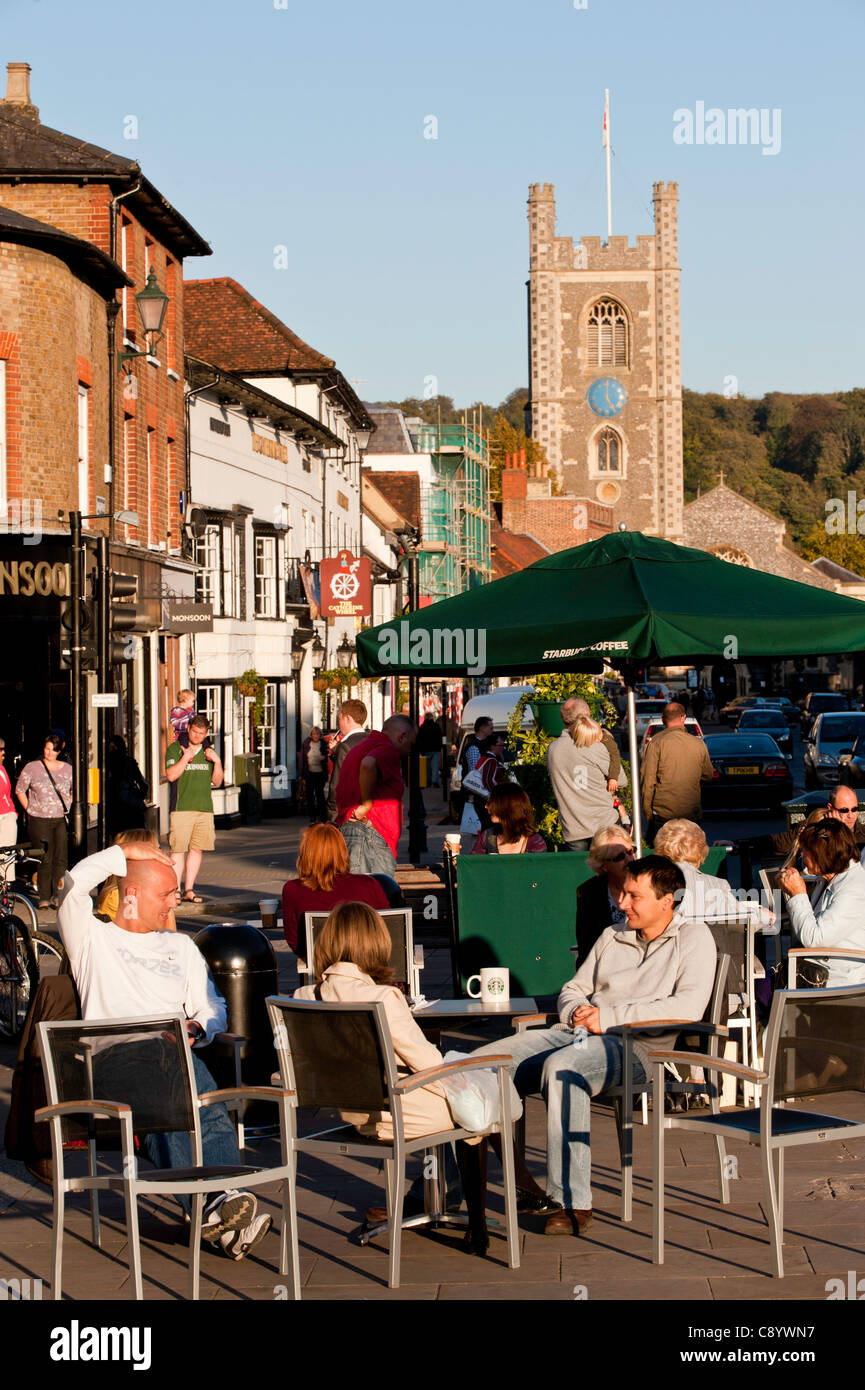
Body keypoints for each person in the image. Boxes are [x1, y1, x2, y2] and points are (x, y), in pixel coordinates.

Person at [471, 856, 716, 1233]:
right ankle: (440, 1192)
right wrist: (577, 1011)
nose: (622, 904)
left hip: (640, 1047)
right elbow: (571, 990)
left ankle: (570, 1202)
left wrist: (609, 1018)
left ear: (667, 900)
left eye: (634, 896)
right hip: (577, 1034)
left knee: (563, 1069)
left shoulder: (694, 939)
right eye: (622, 893)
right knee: (474, 1065)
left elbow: (687, 1006)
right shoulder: (612, 936)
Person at [57, 840, 271, 1260]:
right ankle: (219, 1205)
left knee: (204, 1106)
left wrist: (199, 1026)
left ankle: (222, 1210)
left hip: (175, 1061)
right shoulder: (92, 940)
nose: (173, 903)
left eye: (175, 893)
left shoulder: (179, 947)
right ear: (131, 895)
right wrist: (126, 852)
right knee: (186, 1095)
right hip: (115, 1065)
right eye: (166, 894)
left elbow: (215, 1006)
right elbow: (72, 884)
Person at [294, 900, 490, 1253]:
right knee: (487, 1100)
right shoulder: (382, 996)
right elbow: (426, 1061)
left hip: (353, 1113)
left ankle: (438, 1197)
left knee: (475, 1096)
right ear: (375, 943)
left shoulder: (304, 996)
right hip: (397, 1115)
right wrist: (467, 1077)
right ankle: (480, 1227)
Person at [777, 820, 865, 985]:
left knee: (761, 993)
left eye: (806, 850)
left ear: (822, 855)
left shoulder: (854, 888)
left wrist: (798, 894)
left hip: (838, 983)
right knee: (762, 988)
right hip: (817, 972)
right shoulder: (830, 879)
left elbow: (815, 939)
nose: (802, 855)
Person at [280, 823, 389, 952]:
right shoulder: (368, 884)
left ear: (306, 853)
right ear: (342, 850)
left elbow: (294, 941)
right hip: (366, 964)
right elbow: (388, 927)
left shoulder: (293, 889)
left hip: (320, 966)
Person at [335, 715, 417, 876]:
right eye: (411, 744)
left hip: (357, 833)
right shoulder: (387, 749)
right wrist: (367, 804)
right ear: (402, 737)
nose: (410, 750)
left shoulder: (364, 745)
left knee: (361, 894)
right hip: (370, 836)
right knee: (374, 896)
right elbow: (368, 764)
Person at [654, 818, 772, 926]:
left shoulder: (648, 884)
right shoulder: (716, 886)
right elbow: (742, 917)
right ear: (700, 858)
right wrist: (764, 914)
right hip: (709, 948)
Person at [165, 714, 223, 903]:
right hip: (181, 808)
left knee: (197, 849)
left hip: (204, 808)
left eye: (201, 733)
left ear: (206, 733)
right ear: (188, 728)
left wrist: (217, 762)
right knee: (178, 850)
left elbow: (217, 781)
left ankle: (189, 889)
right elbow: (171, 776)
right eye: (195, 731)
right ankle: (175, 890)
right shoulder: (176, 748)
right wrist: (186, 758)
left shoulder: (209, 751)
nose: (197, 736)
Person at [641, 701, 714, 840]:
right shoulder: (698, 743)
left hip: (663, 812)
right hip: (690, 811)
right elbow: (708, 774)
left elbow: (647, 780)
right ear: (683, 718)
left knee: (664, 855)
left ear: (663, 720)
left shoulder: (656, 743)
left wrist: (648, 812)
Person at [16, 733, 72, 908]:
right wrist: (30, 809)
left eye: (53, 750)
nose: (49, 753)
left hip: (59, 818)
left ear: (59, 751)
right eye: (47, 749)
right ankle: (44, 897)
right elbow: (20, 790)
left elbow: (73, 790)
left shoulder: (68, 769)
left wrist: (68, 804)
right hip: (40, 819)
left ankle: (58, 895)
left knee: (60, 858)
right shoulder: (32, 767)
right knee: (45, 858)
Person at [547, 713, 617, 851]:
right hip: (603, 823)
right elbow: (621, 781)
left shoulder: (553, 749)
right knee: (608, 868)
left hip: (573, 827)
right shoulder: (596, 748)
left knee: (580, 870)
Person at [575, 825, 635, 965]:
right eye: (620, 856)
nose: (629, 859)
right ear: (603, 864)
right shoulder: (588, 893)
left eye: (631, 851)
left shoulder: (648, 884)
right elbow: (587, 948)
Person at [471, 784, 547, 855]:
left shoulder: (534, 842)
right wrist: (459, 860)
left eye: (491, 803)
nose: (486, 807)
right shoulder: (488, 836)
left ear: (506, 807)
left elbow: (539, 868)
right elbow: (471, 866)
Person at [326, 699, 368, 823]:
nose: (339, 725)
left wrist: (332, 819)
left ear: (348, 718)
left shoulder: (345, 746)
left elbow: (336, 787)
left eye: (339, 719)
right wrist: (336, 752)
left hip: (350, 813)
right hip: (370, 812)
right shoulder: (371, 739)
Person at [106, 734, 148, 841]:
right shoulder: (129, 762)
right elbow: (143, 784)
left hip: (116, 808)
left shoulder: (107, 763)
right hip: (131, 807)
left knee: (118, 840)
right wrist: (137, 795)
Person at [298, 726, 328, 824]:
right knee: (310, 795)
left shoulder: (323, 744)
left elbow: (329, 755)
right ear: (311, 735)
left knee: (320, 795)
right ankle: (312, 816)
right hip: (309, 773)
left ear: (320, 735)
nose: (316, 736)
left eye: (317, 734)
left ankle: (322, 816)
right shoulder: (306, 743)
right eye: (314, 734)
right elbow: (302, 758)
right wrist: (301, 774)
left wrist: (324, 758)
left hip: (320, 773)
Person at [416, 714, 444, 789]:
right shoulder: (436, 726)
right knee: (435, 766)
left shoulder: (422, 727)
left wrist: (420, 748)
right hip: (435, 749)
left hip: (425, 749)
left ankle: (426, 781)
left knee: (426, 766)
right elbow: (440, 736)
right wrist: (441, 746)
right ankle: (434, 781)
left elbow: (419, 738)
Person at [0, 738, 18, 848]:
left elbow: (8, 794)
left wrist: (12, 813)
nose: (3, 752)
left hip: (6, 817)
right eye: (0, 749)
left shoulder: (2, 769)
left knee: (7, 857)